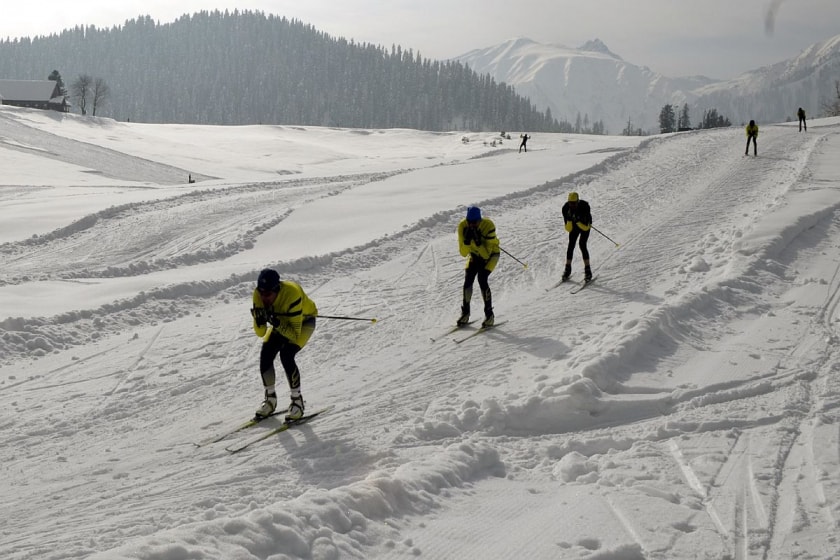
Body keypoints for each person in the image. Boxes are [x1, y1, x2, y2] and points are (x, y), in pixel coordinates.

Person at [250, 268, 318, 421]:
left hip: (303, 322)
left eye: (267, 294)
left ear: (277, 290)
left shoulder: (291, 294)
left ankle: (297, 402)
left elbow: (293, 334)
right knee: (266, 353)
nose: (263, 297)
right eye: (261, 292)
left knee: (286, 354)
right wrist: (260, 320)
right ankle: (270, 400)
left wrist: (275, 321)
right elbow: (260, 333)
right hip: (281, 323)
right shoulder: (259, 295)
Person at [456, 206, 500, 327]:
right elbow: (463, 253)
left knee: (482, 279)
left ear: (479, 220)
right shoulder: (462, 226)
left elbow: (486, 255)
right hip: (475, 256)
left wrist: (478, 242)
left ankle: (489, 315)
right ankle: (465, 313)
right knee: (468, 280)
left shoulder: (488, 226)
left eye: (474, 223)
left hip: (491, 255)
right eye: (469, 222)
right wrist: (467, 242)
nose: (471, 225)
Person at [561, 192, 593, 282]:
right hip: (574, 226)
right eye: (570, 203)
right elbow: (568, 228)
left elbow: (586, 227)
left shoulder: (585, 206)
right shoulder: (565, 208)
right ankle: (567, 269)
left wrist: (578, 220)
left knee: (582, 244)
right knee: (571, 245)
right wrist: (570, 220)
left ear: (578, 201)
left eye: (574, 203)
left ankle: (588, 270)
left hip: (585, 225)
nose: (572, 205)